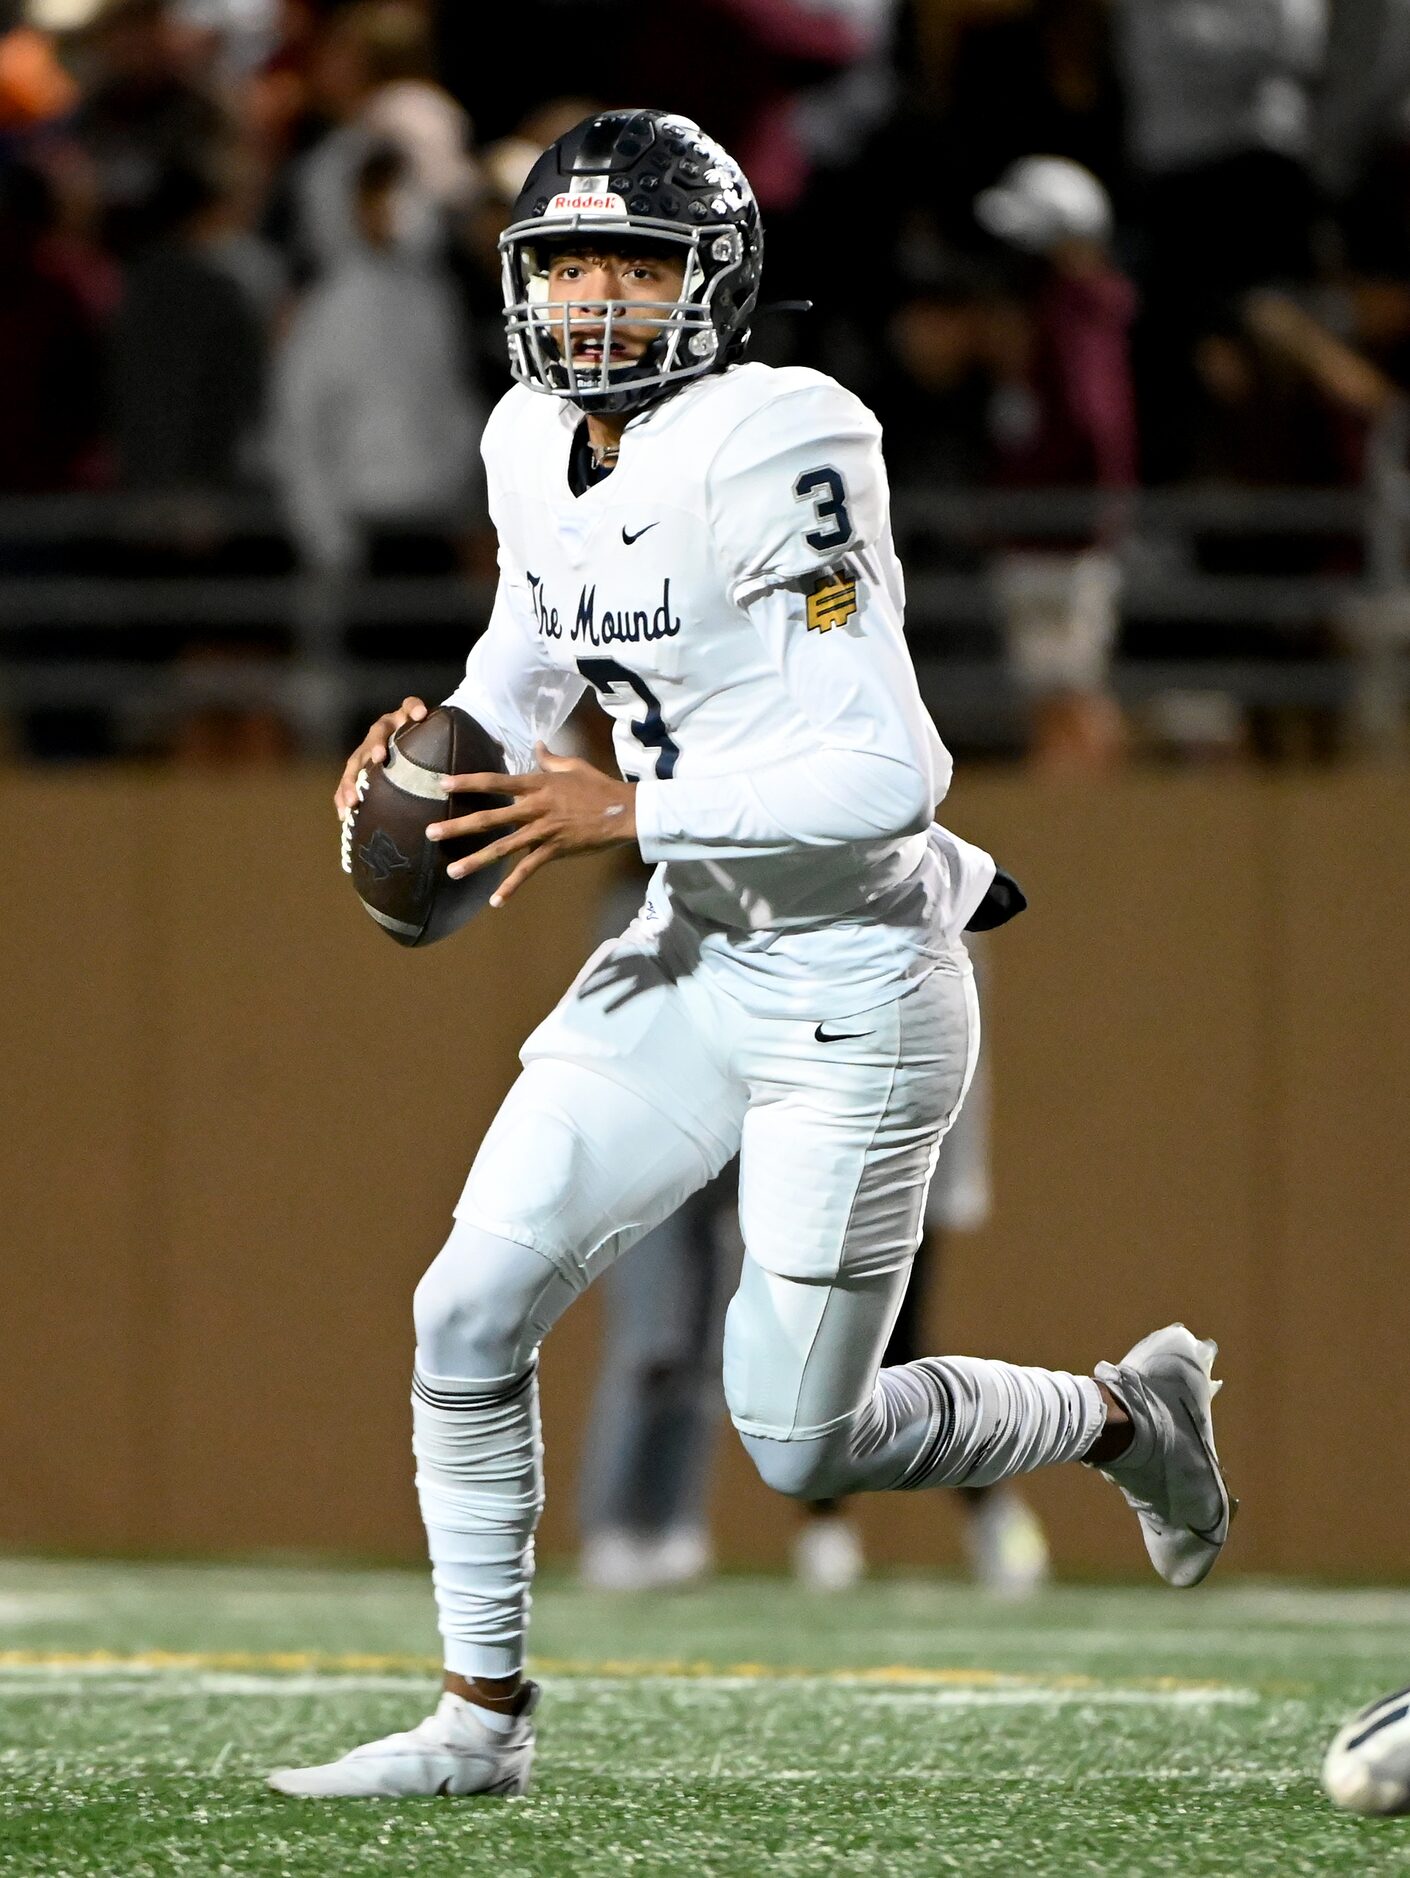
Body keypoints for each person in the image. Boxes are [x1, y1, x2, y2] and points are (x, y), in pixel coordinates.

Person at [268, 107, 1233, 1801]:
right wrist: (443, 740)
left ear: (710, 282)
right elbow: (528, 653)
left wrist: (630, 816)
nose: (591, 304)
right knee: (465, 1307)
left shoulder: (787, 432)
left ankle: (1122, 1416)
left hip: (858, 968)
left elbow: (886, 777)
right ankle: (478, 1724)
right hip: (695, 942)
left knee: (805, 1438)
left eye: (631, 267)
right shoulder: (523, 436)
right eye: (564, 264)